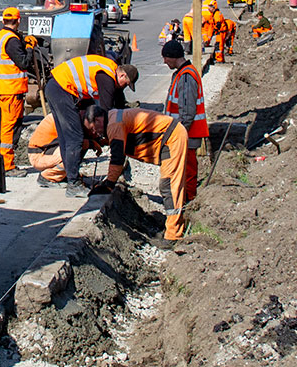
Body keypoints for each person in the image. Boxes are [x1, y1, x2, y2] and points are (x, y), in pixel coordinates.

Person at [44, 54, 137, 197]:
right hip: (62, 89)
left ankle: (67, 177)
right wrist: (108, 136)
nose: (124, 87)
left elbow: (115, 105)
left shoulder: (108, 70)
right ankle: (73, 184)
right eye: (126, 84)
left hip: (56, 87)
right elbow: (106, 112)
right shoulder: (107, 77)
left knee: (67, 138)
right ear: (122, 75)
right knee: (75, 138)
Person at [95, 109, 191, 240]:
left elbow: (117, 159)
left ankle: (173, 235)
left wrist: (109, 184)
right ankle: (180, 215)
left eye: (93, 128)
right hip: (167, 136)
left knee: (169, 185)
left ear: (98, 120)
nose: (95, 133)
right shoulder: (113, 118)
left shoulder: (114, 125)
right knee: (171, 184)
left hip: (171, 138)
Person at [161, 38, 207, 236]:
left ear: (173, 57)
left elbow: (186, 113)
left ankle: (187, 207)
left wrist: (177, 134)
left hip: (186, 136)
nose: (164, 62)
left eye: (165, 58)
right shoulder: (182, 73)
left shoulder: (186, 77)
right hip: (184, 135)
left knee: (187, 174)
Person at [0, 7, 36, 172]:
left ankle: (6, 163)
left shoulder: (1, 37)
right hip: (11, 91)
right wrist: (29, 48)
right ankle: (7, 166)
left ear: (3, 20)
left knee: (9, 126)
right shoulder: (11, 40)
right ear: (18, 20)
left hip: (6, 90)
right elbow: (24, 63)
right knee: (8, 128)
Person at [27, 107, 108, 184]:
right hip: (38, 156)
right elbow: (74, 145)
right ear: (95, 120)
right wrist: (92, 143)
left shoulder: (78, 117)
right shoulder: (70, 122)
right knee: (73, 151)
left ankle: (64, 175)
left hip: (49, 149)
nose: (96, 132)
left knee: (81, 145)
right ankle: (47, 177)